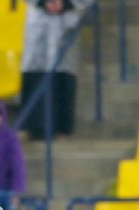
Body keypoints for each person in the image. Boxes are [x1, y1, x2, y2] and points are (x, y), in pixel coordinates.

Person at [20, 0, 94, 140]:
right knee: (35, 69)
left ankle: (61, 128)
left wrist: (66, 3)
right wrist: (43, 2)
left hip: (67, 18)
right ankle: (34, 127)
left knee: (62, 69)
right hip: (38, 18)